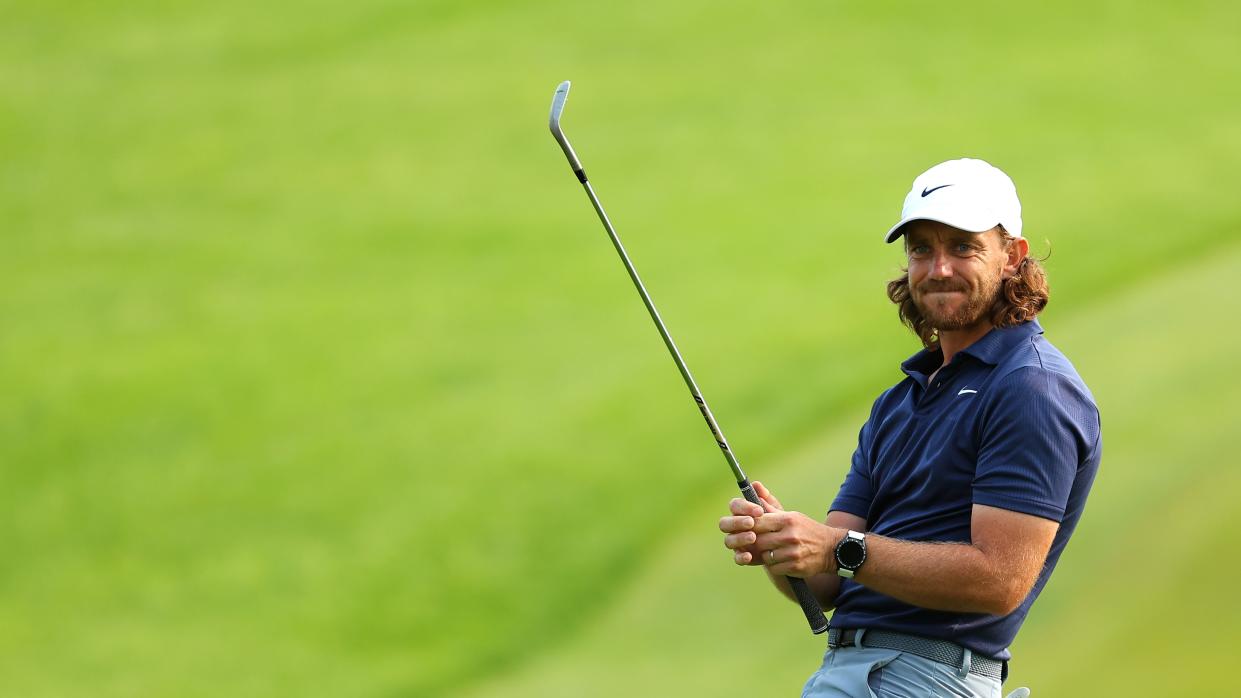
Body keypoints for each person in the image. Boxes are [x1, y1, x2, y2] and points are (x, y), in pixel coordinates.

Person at [719, 158, 1101, 697]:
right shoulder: (899, 403)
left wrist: (836, 548)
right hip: (853, 672)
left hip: (928, 677)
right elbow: (827, 582)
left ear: (1012, 256)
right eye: (921, 248)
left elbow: (1000, 579)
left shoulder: (1031, 388)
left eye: (962, 246)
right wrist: (782, 544)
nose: (937, 268)